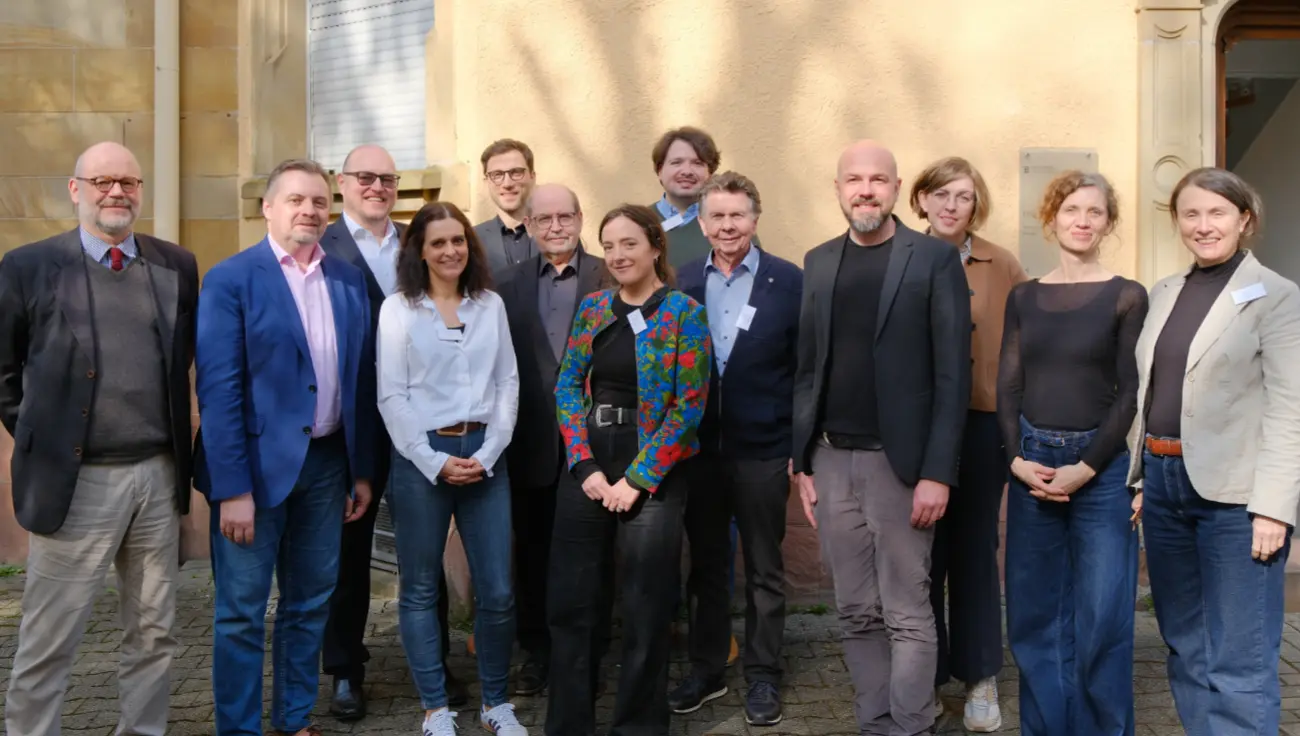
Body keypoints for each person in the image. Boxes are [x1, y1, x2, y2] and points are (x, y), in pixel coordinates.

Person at [0, 141, 199, 736]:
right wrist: (42, 438)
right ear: (75, 189)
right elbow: (4, 372)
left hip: (158, 477)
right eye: (102, 181)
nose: (117, 192)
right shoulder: (28, 266)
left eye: (128, 183)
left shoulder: (176, 265)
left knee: (154, 631)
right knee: (50, 635)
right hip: (76, 482)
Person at [791, 140, 971, 736]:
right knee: (854, 610)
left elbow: (952, 375)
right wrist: (802, 461)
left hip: (902, 466)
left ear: (896, 188)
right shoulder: (819, 261)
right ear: (838, 189)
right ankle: (877, 725)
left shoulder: (933, 260)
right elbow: (808, 368)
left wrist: (938, 472)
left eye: (877, 180)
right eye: (853, 180)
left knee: (907, 612)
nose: (865, 190)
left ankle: (912, 726)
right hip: (830, 459)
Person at [194, 158, 376, 736]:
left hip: (327, 465)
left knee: (310, 602)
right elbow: (218, 390)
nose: (309, 210)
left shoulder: (346, 279)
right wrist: (233, 490)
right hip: (253, 471)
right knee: (241, 612)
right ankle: (240, 728)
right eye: (296, 199)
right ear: (268, 207)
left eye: (320, 201)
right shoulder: (231, 278)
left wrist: (360, 471)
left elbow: (359, 381)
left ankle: (293, 717)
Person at [1129, 167, 1300, 735]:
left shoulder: (1277, 296)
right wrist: (1140, 478)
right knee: (1186, 644)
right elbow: (1152, 390)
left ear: (1244, 219)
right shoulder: (1164, 292)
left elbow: (1290, 410)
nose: (1204, 225)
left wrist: (1274, 508)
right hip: (1163, 484)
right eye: (1191, 214)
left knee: (1240, 658)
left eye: (1217, 213)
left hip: (1238, 500)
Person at [546, 204, 711, 736]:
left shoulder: (684, 313)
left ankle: (638, 726)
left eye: (629, 244)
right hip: (590, 462)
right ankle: (569, 725)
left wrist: (636, 480)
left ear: (656, 247)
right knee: (572, 602)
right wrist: (584, 465)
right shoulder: (594, 308)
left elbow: (689, 407)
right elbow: (567, 385)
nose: (618, 255)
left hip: (652, 470)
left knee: (646, 605)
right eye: (609, 246)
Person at [319, 144, 468, 718]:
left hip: (419, 419)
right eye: (365, 177)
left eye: (387, 178)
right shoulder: (321, 245)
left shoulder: (417, 241)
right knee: (349, 550)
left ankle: (435, 664)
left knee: (423, 550)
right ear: (342, 182)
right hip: (352, 422)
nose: (377, 186)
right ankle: (345, 669)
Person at [997, 171, 1147, 736]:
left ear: (1109, 223)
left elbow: (1130, 392)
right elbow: (1009, 383)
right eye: (1071, 210)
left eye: (1095, 212)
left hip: (1100, 471)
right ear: (1051, 218)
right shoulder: (1024, 296)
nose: (1082, 221)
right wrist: (1015, 459)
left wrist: (1085, 468)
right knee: (1035, 615)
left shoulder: (1127, 295)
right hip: (1031, 464)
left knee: (1103, 617)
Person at [376, 201, 526, 736]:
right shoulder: (398, 309)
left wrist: (488, 453)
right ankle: (435, 710)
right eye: (437, 242)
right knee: (420, 589)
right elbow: (392, 396)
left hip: (486, 455)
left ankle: (496, 704)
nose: (450, 250)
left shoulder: (490, 305)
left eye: (458, 240)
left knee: (498, 589)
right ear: (419, 250)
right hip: (421, 459)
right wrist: (433, 461)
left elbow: (507, 382)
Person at [670, 171, 802, 726]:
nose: (728, 226)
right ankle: (707, 668)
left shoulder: (789, 281)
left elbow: (805, 369)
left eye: (737, 215)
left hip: (764, 449)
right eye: (717, 216)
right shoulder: (680, 281)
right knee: (705, 566)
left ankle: (764, 673)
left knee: (765, 568)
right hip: (698, 452)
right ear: (702, 224)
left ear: (755, 219)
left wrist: (798, 446)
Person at [909, 156, 1026, 731]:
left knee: (975, 550)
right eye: (941, 195)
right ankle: (926, 677)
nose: (952, 206)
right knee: (922, 553)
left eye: (964, 196)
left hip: (981, 424)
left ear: (976, 204)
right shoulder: (902, 257)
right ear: (921, 201)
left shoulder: (1001, 264)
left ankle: (980, 675)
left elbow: (1026, 345)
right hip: (917, 427)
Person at [498, 183, 609, 696]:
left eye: (565, 216)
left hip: (601, 447)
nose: (556, 226)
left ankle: (590, 658)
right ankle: (537, 655)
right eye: (544, 219)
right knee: (533, 556)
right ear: (530, 225)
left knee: (597, 558)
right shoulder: (505, 284)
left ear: (581, 218)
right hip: (532, 445)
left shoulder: (609, 275)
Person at [649, 126, 722, 269]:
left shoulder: (730, 224)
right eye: (676, 162)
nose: (687, 171)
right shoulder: (637, 223)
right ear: (660, 171)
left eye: (697, 163)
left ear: (710, 173)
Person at [475, 138, 538, 276]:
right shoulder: (472, 240)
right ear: (486, 182)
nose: (507, 183)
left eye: (516, 172)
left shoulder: (557, 232)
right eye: (497, 175)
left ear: (532, 177)